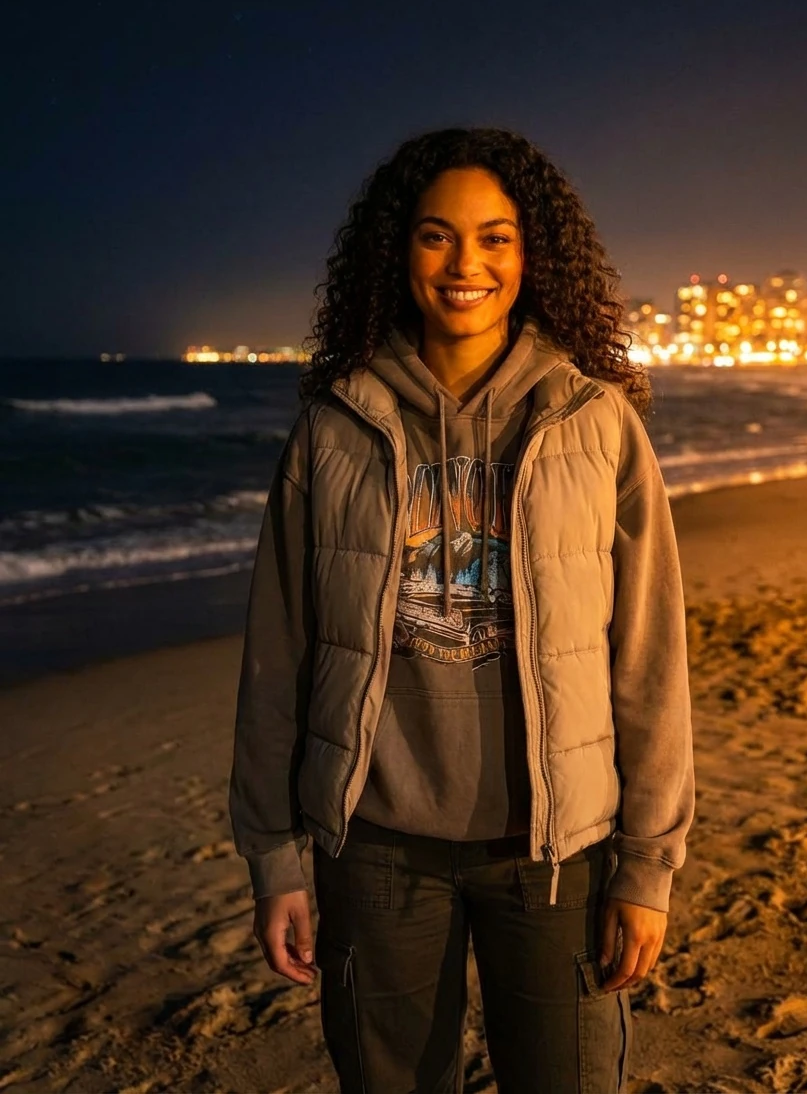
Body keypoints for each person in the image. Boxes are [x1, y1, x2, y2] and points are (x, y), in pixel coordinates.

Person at [229, 127, 695, 1094]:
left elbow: (648, 659)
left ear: (532, 256)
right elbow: (279, 655)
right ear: (399, 251)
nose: (466, 264)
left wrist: (646, 868)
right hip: (377, 846)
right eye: (438, 237)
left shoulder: (592, 420)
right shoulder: (337, 424)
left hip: (556, 852)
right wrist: (275, 856)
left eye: (496, 238)